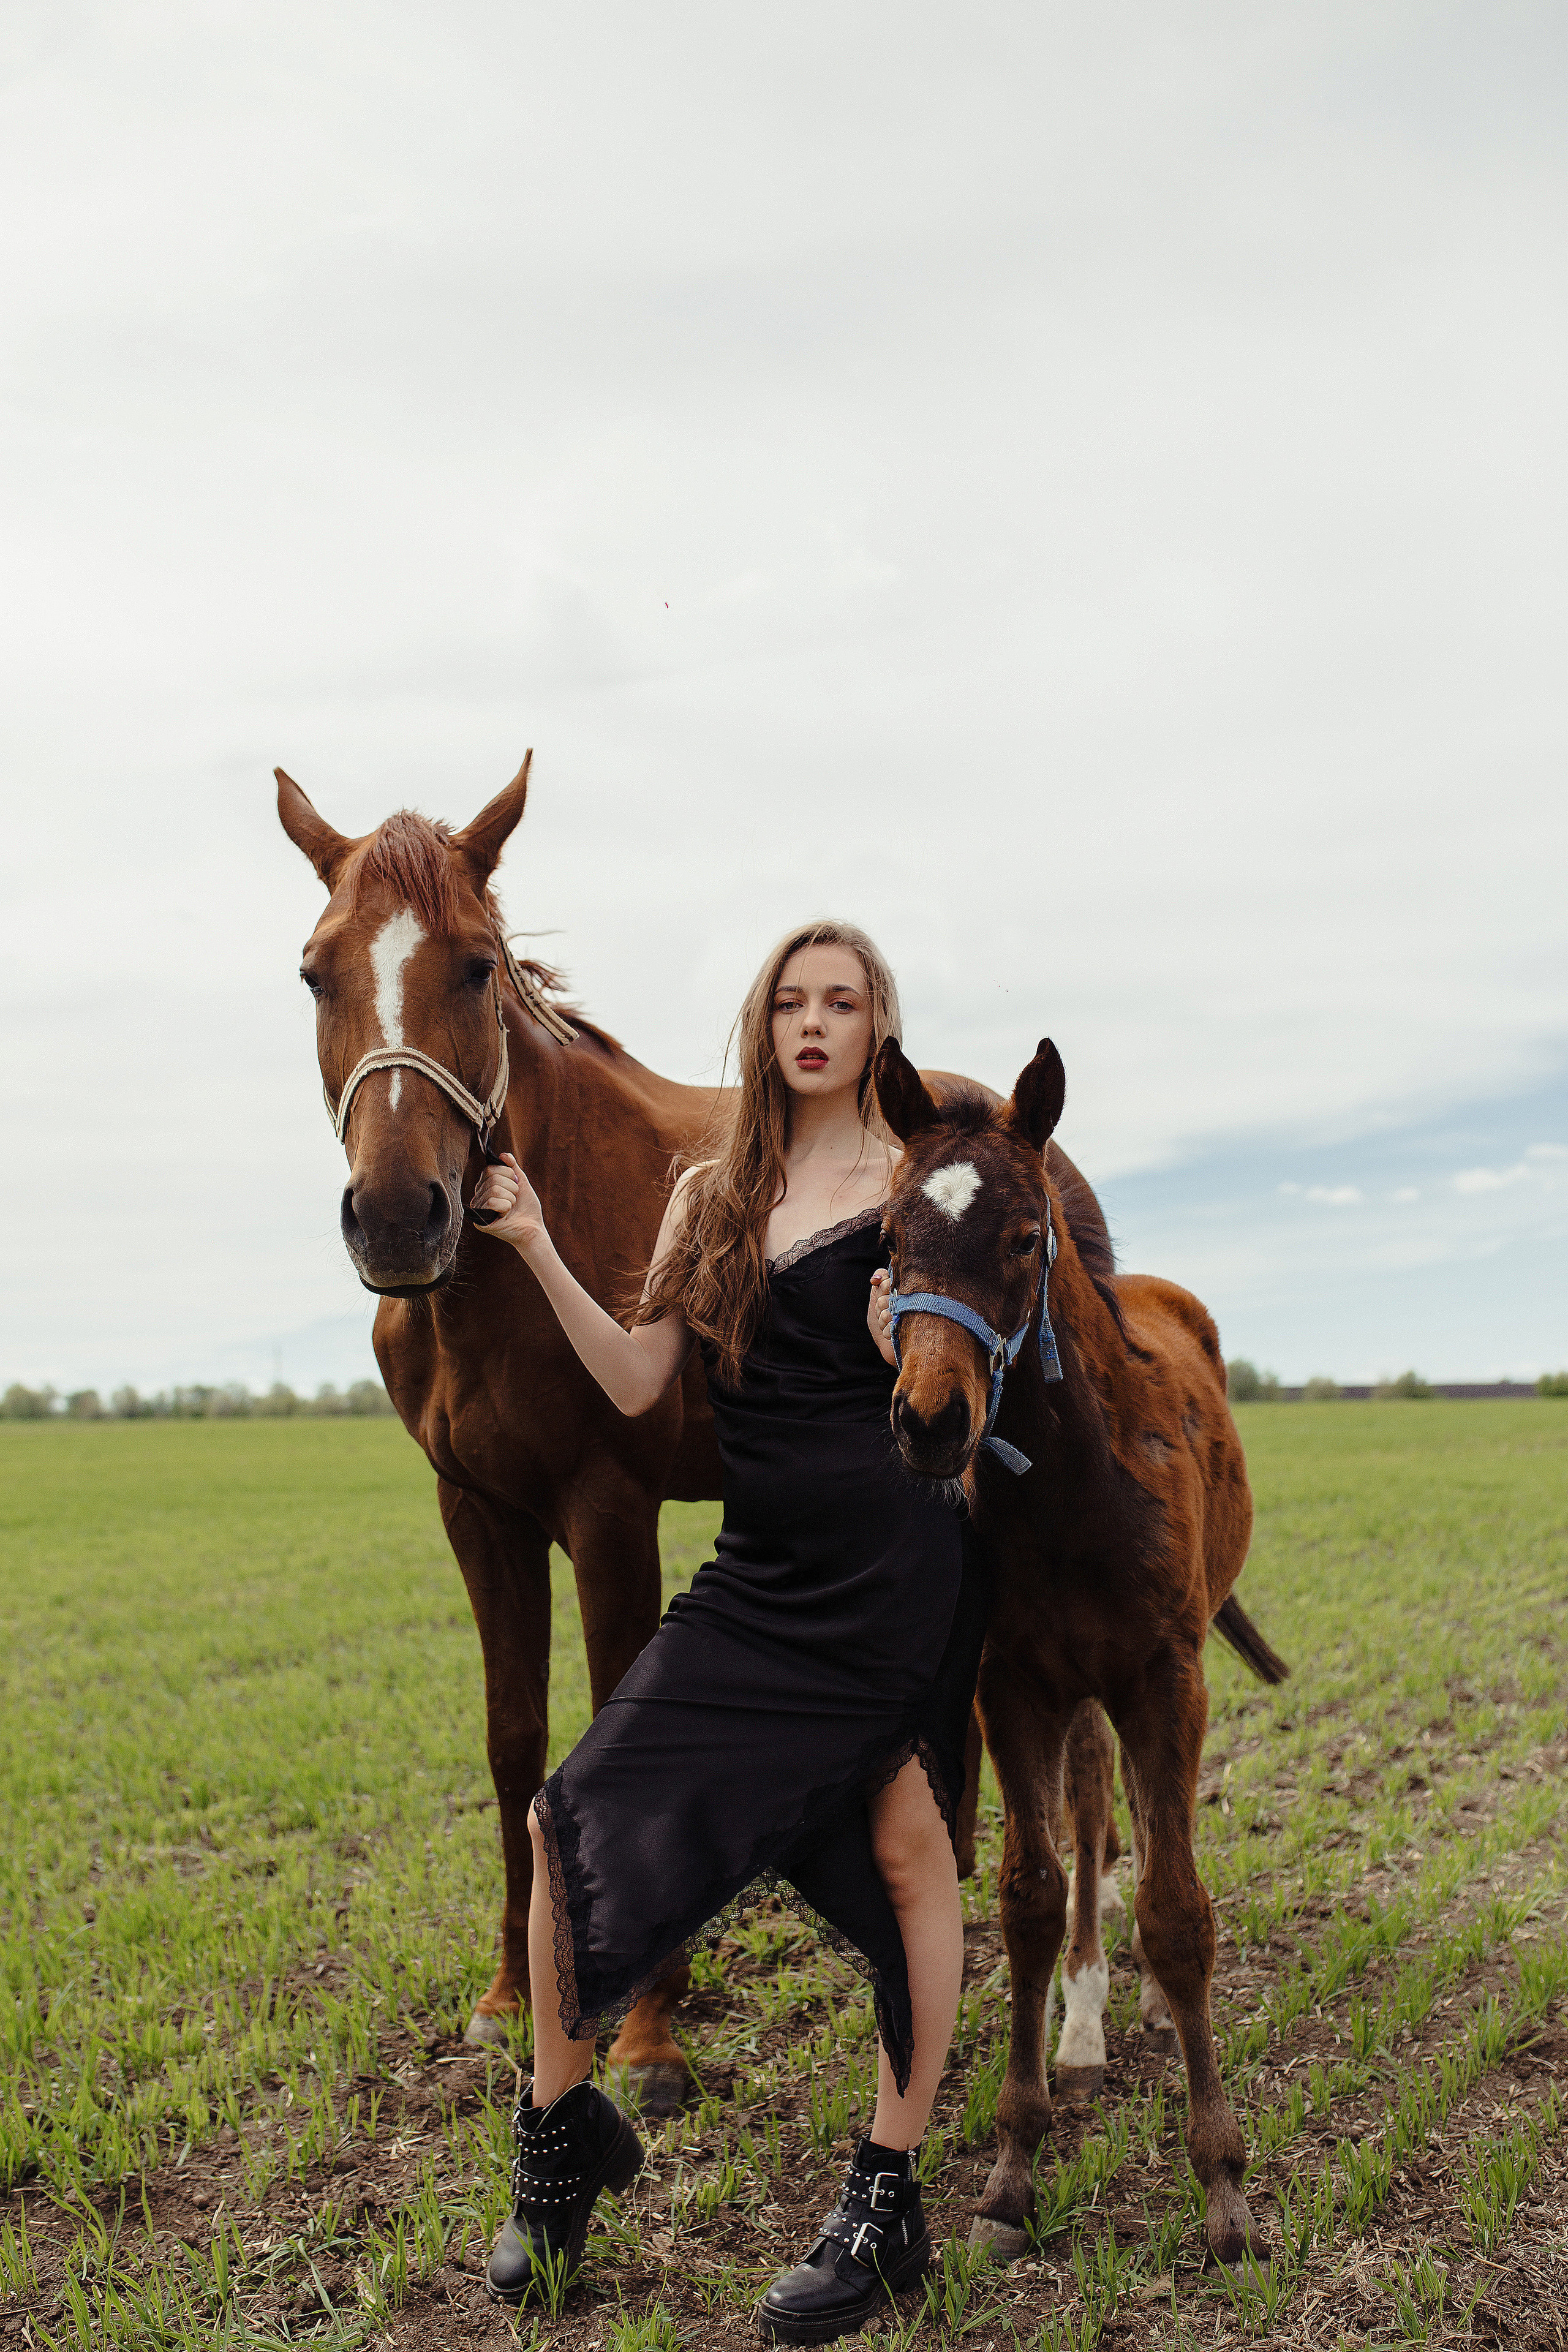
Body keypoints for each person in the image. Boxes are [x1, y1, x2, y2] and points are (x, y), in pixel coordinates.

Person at [470, 920, 987, 2340]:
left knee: (903, 1846)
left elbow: (981, 1320)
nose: (813, 1023)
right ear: (762, 1027)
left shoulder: (912, 1182)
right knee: (566, 1811)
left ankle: (885, 2204)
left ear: (880, 1026)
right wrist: (529, 1246)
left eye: (844, 1002)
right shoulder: (712, 1190)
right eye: (790, 1002)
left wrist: (919, 1334)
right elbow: (640, 1381)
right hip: (759, 1571)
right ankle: (558, 2142)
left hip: (887, 1560)